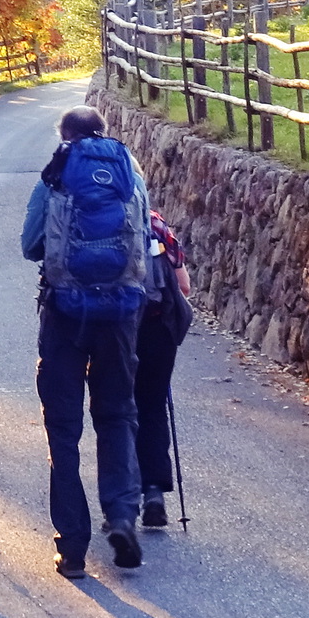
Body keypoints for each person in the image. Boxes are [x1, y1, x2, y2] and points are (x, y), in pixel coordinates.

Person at [21, 106, 149, 574]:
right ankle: (122, 515)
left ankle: (72, 546)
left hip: (64, 314)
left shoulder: (55, 176)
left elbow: (31, 245)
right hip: (120, 314)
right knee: (117, 415)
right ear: (103, 133)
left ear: (65, 136)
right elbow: (143, 239)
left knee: (64, 428)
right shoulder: (130, 175)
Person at [135, 207, 194, 527]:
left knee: (116, 411)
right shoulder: (155, 224)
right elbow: (183, 286)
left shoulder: (90, 214)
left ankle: (121, 501)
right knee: (153, 406)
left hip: (113, 328)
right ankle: (154, 493)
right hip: (157, 329)